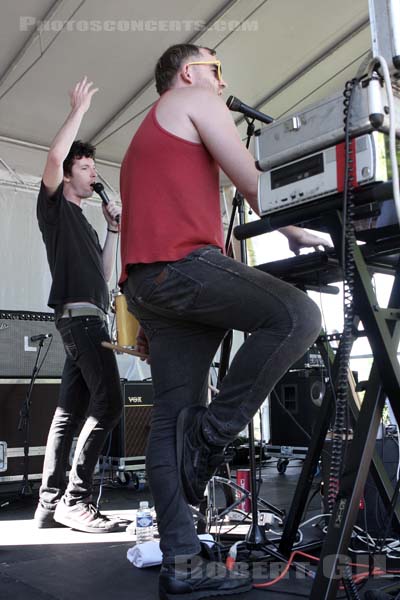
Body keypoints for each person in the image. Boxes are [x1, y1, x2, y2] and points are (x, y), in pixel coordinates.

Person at [120, 44, 329, 598]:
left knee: (168, 421)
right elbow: (256, 184)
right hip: (179, 268)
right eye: (216, 68)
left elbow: (229, 194)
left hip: (149, 285)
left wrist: (277, 232)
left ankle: (182, 561)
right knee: (298, 315)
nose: (222, 80)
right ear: (190, 72)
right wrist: (307, 227)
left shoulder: (150, 132)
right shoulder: (192, 96)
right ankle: (211, 436)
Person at [34, 77, 123, 533]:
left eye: (92, 167)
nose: (94, 174)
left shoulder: (86, 225)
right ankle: (76, 498)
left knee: (69, 411)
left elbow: (104, 276)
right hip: (81, 322)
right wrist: (80, 111)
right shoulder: (54, 209)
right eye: (86, 167)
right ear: (69, 175)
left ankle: (50, 503)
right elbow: (53, 158)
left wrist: (111, 230)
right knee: (110, 402)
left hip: (90, 316)